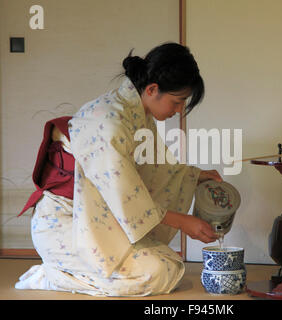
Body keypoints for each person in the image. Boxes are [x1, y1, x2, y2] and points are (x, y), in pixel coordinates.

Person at [15, 42, 222, 297]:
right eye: (177, 102)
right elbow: (126, 196)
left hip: (96, 220)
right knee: (158, 271)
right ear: (152, 89)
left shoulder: (136, 112)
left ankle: (71, 271)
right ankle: (53, 276)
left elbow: (151, 168)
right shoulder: (109, 123)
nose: (179, 110)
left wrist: (193, 175)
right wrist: (182, 221)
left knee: (169, 263)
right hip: (67, 224)